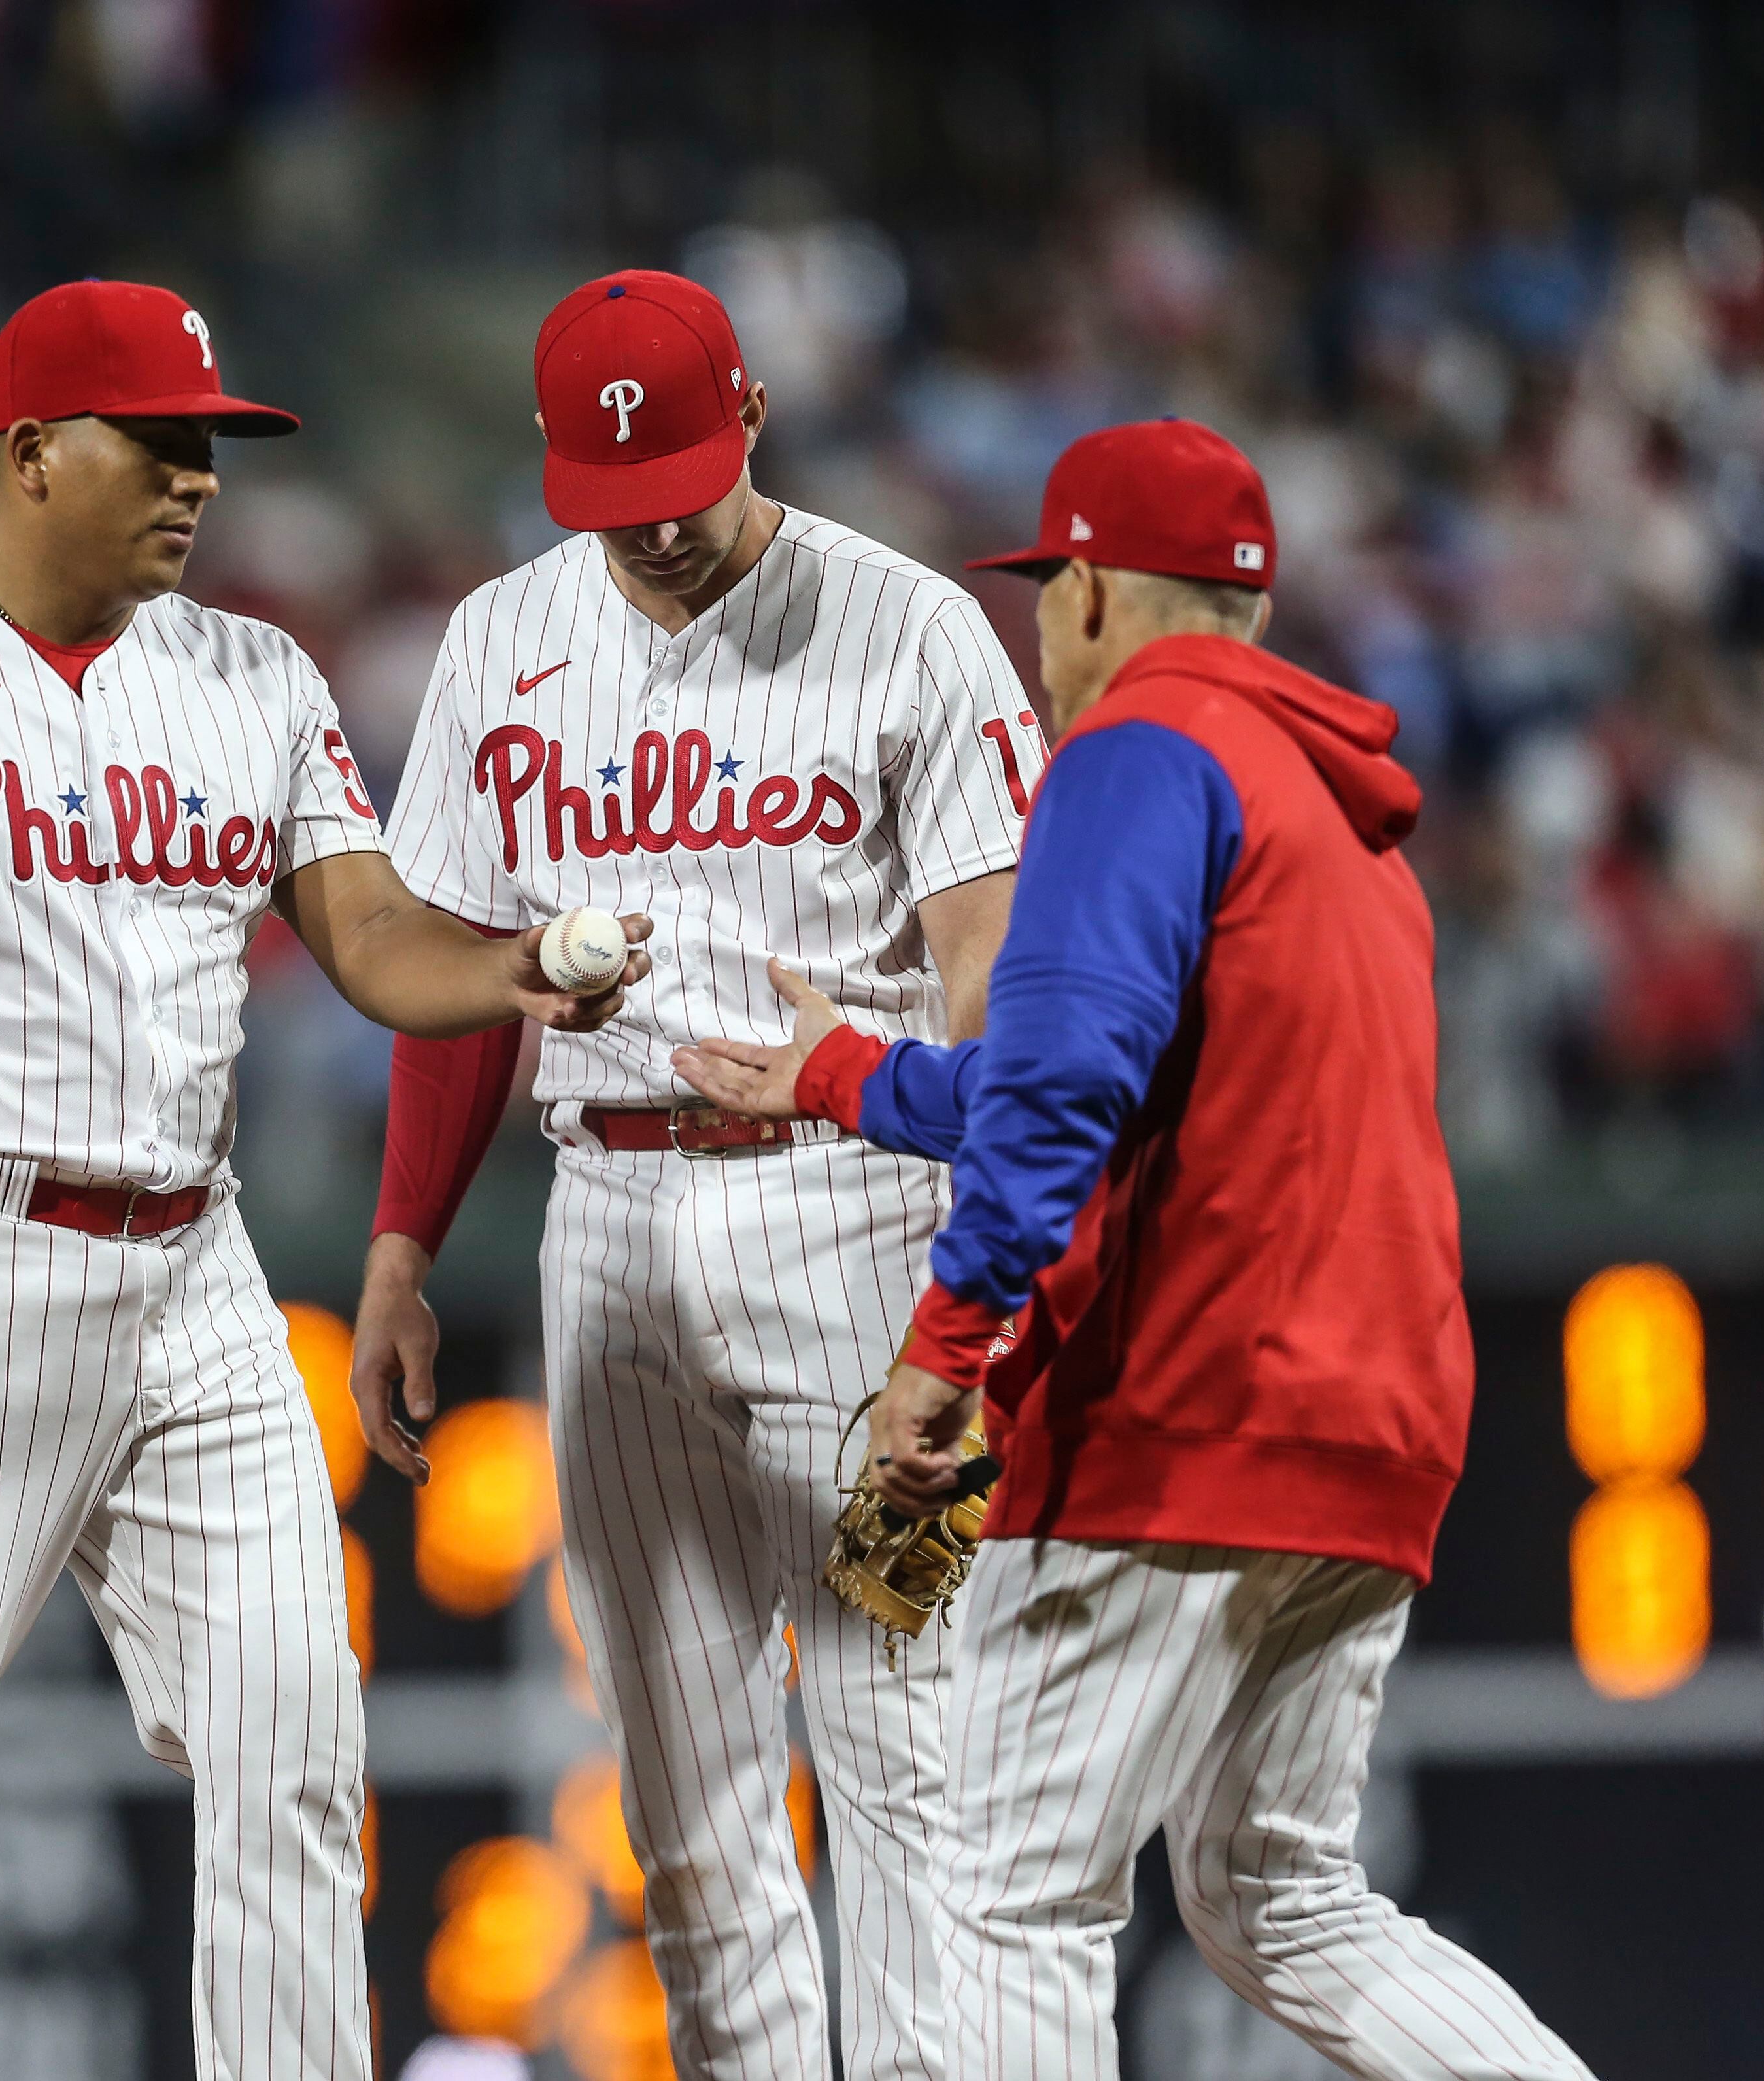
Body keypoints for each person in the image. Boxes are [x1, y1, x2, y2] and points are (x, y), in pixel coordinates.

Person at [0, 277, 647, 2081]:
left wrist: (513, 967)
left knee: (292, 1753)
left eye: (210, 447)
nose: (196, 478)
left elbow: (365, 930)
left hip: (196, 1268)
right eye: (157, 441)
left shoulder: (253, 674)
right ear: (29, 453)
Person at [675, 419, 1593, 2081]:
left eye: (1046, 594)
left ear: (1090, 585)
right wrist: (843, 1075)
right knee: (1279, 1897)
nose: (1039, 630)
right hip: (1366, 1432)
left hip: (1183, 1410)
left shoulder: (1134, 753)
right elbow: (1125, 1070)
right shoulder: (1339, 812)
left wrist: (946, 1346)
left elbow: (1069, 1079)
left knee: (1004, 1898)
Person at [353, 269, 1036, 2081]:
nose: (646, 532)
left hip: (860, 1211)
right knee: (680, 1795)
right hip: (609, 1224)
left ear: (749, 410)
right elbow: (450, 973)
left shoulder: (911, 630)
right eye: (606, 499)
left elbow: (995, 981)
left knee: (907, 1760)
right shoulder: (502, 636)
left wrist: (969, 1289)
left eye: (676, 490)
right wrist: (401, 1243)